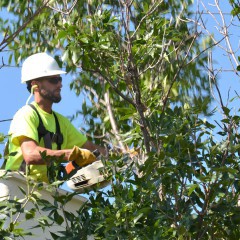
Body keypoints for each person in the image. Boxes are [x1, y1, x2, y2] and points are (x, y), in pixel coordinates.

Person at [5, 52, 106, 183]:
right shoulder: (26, 114)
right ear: (35, 84)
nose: (59, 85)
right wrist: (71, 155)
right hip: (18, 190)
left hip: (46, 194)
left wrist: (122, 154)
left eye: (60, 79)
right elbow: (30, 154)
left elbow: (91, 149)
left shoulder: (61, 122)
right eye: (53, 80)